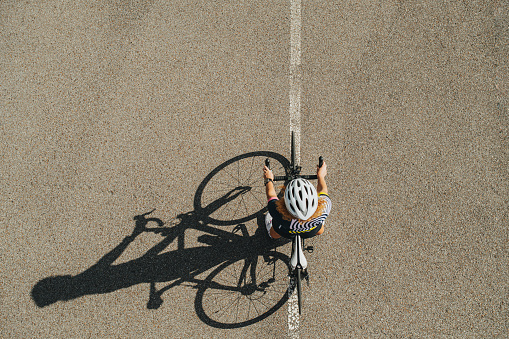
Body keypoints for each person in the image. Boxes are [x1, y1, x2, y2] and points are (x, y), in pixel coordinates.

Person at [263, 161, 331, 239]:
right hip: (310, 231)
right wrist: (321, 176)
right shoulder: (325, 206)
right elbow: (323, 190)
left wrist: (268, 180)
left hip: (286, 231)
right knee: (319, 230)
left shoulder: (277, 212)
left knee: (274, 232)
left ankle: (272, 234)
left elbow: (271, 195)